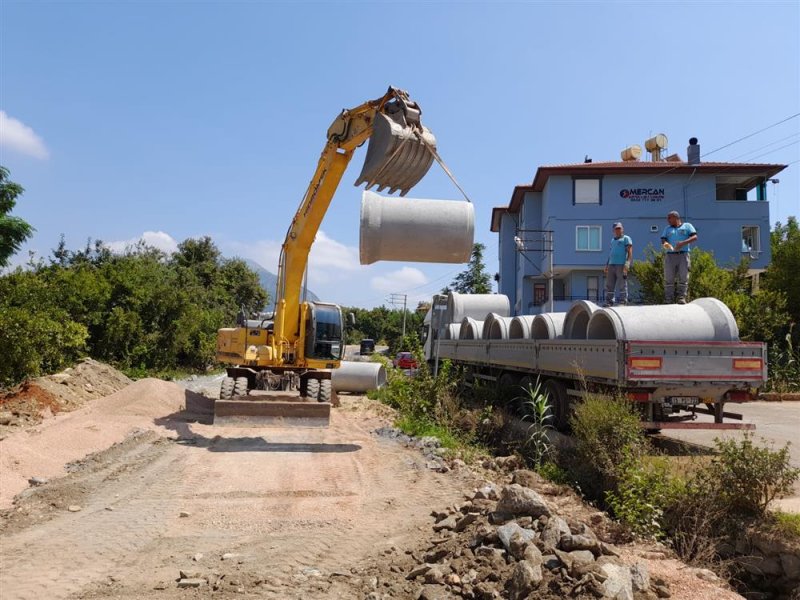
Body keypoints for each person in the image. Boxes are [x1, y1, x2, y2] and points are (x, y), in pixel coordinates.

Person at [660, 210, 698, 304]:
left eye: (670, 218)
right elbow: (663, 239)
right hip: (670, 255)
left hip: (683, 255)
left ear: (676, 218)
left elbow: (694, 237)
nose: (668, 220)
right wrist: (665, 244)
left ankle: (681, 297)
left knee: (683, 277)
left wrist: (683, 243)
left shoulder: (687, 226)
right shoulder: (667, 229)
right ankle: (669, 299)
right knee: (669, 278)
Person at [604, 222, 632, 306]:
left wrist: (627, 264)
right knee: (609, 284)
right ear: (613, 230)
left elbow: (630, 252)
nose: (618, 230)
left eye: (619, 228)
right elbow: (611, 253)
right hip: (611, 264)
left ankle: (623, 301)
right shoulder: (612, 240)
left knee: (622, 283)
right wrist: (607, 265)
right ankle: (609, 301)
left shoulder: (626, 238)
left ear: (622, 229)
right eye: (616, 228)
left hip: (621, 264)